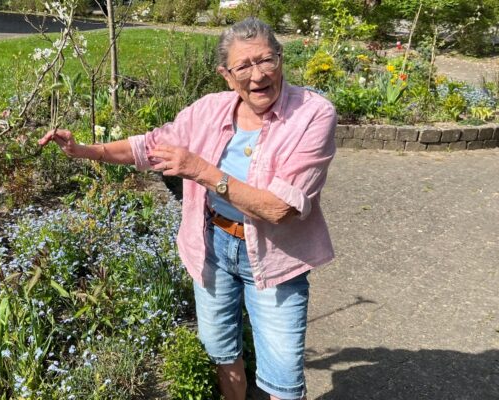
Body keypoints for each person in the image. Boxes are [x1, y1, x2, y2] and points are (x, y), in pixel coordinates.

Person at [38, 17, 336, 400]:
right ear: (226, 75)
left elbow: (281, 208)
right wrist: (84, 150)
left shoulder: (313, 114)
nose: (258, 74)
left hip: (276, 257)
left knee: (283, 380)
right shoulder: (209, 110)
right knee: (222, 351)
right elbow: (149, 146)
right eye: (244, 66)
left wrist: (201, 170)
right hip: (212, 247)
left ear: (280, 58)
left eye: (266, 60)